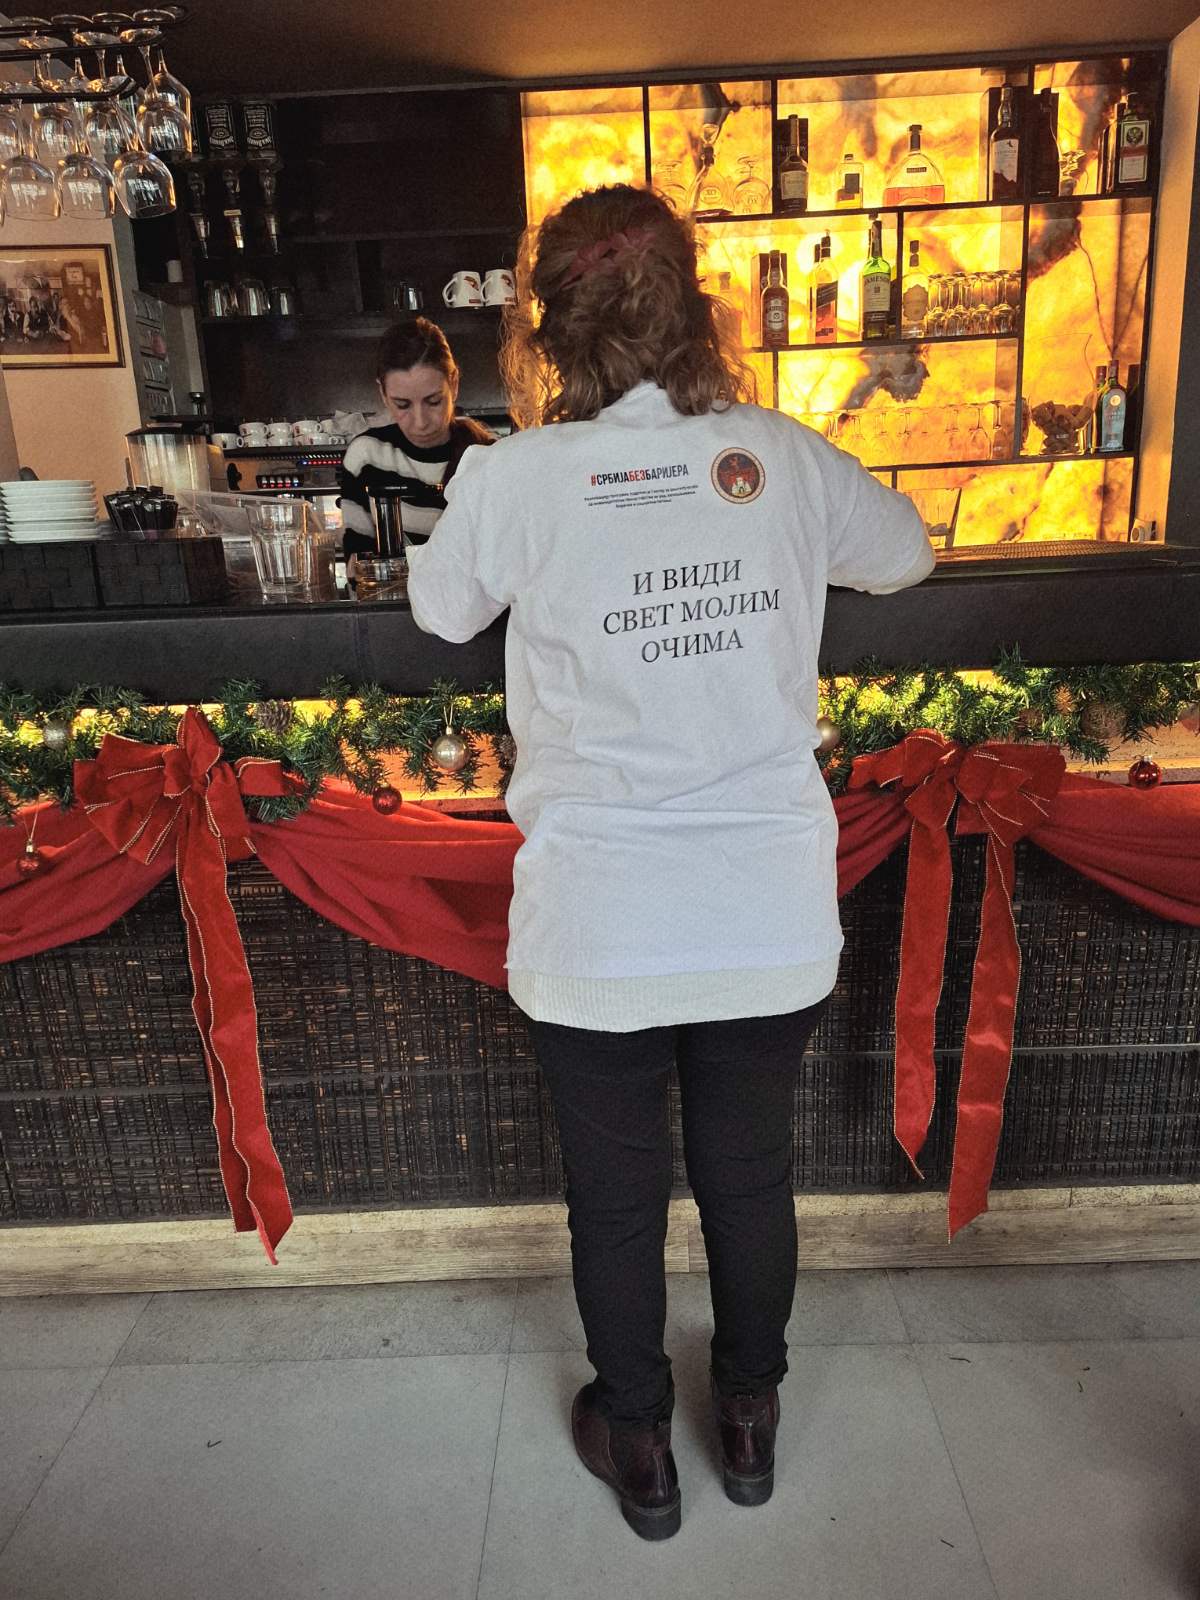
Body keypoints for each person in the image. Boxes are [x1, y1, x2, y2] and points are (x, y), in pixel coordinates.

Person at [406, 184, 934, 1542]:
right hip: (764, 907)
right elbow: (906, 553)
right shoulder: (777, 455)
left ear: (545, 334)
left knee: (616, 1195)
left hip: (599, 918)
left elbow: (440, 606)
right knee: (751, 1176)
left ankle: (639, 1441)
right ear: (698, 313)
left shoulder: (515, 475)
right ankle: (747, 1416)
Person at [338, 316, 494, 560]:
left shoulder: (490, 456)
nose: (420, 422)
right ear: (383, 394)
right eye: (403, 405)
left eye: (434, 401)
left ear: (453, 384)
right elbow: (357, 562)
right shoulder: (367, 456)